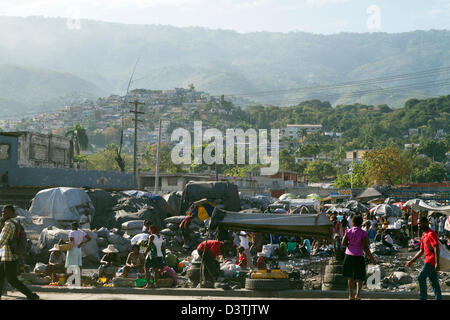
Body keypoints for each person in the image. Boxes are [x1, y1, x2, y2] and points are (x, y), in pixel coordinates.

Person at [0, 205, 39, 300]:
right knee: (0, 276)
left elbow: (2, 241)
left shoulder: (8, 225)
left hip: (9, 256)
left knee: (12, 280)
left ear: (11, 213)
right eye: (2, 212)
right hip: (9, 255)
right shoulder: (15, 223)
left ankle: (31, 296)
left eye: (5, 212)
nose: (3, 214)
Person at [406, 216, 442, 300]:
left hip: (431, 260)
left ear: (426, 223)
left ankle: (423, 297)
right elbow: (421, 251)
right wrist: (412, 261)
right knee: (434, 282)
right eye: (418, 223)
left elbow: (436, 248)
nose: (418, 225)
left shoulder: (431, 233)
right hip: (428, 260)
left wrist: (437, 263)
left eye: (420, 223)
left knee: (421, 277)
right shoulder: (424, 234)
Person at [342, 214, 376, 300]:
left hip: (348, 255)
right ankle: (358, 295)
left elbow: (343, 243)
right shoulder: (363, 233)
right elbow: (365, 247)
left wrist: (350, 245)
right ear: (361, 223)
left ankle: (351, 295)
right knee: (359, 277)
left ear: (352, 222)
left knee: (350, 276)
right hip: (359, 256)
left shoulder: (348, 231)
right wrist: (372, 259)